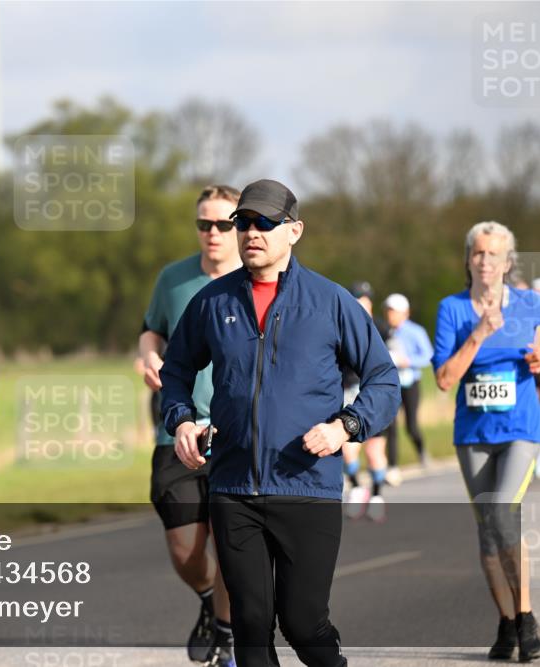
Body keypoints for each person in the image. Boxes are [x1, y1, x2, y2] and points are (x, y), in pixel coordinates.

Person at [161, 179, 400, 667]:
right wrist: (181, 420)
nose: (252, 232)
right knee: (250, 624)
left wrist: (345, 427)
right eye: (244, 222)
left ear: (294, 230)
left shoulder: (330, 302)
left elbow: (384, 380)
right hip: (233, 488)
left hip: (307, 486)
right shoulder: (213, 302)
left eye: (265, 222)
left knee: (303, 623)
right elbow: (176, 371)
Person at [139, 185, 240, 665]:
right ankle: (209, 599)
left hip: (237, 433)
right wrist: (149, 357)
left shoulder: (255, 279)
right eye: (204, 224)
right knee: (184, 549)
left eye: (223, 224)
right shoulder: (173, 278)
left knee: (232, 542)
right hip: (177, 429)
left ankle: (227, 633)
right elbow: (151, 329)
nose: (213, 232)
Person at [431, 220, 540, 661]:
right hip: (473, 434)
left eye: (494, 254)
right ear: (468, 259)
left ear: (508, 261)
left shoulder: (532, 305)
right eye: (478, 252)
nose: (486, 261)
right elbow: (444, 380)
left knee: (503, 513)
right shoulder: (452, 309)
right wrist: (479, 333)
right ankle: (506, 621)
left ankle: (528, 618)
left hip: (520, 429)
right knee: (488, 533)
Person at [341, 282, 392, 522]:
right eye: (357, 300)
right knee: (348, 448)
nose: (363, 304)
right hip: (349, 392)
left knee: (374, 450)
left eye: (366, 300)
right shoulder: (342, 325)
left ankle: (377, 495)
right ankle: (356, 487)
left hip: (374, 393)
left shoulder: (381, 328)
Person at [382, 293, 433, 477]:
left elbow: (428, 355)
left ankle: (422, 451)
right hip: (391, 384)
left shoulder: (415, 331)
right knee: (390, 425)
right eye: (388, 311)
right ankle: (392, 465)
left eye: (393, 311)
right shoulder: (384, 331)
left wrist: (408, 361)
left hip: (411, 383)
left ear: (405, 313)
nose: (390, 315)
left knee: (411, 425)